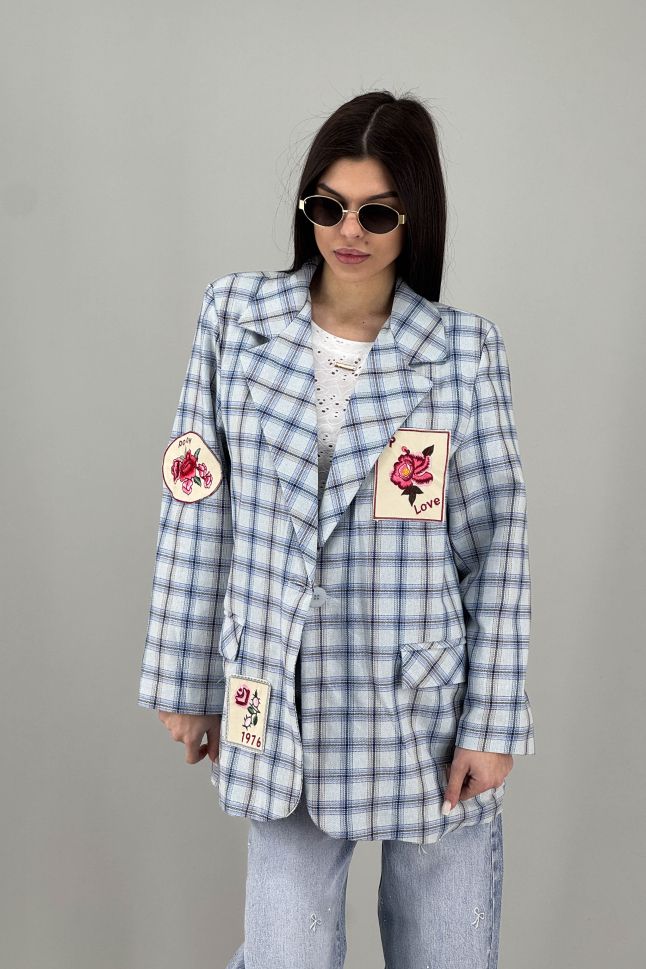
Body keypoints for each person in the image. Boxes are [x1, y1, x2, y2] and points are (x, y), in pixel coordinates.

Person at [138, 89, 535, 969]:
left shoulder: (463, 351)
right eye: (328, 206)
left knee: (446, 953)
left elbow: (497, 543)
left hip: (423, 701)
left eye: (376, 213)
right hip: (277, 694)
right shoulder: (236, 319)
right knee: (285, 951)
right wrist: (184, 675)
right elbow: (196, 501)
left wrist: (494, 720)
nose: (348, 231)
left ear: (414, 217)